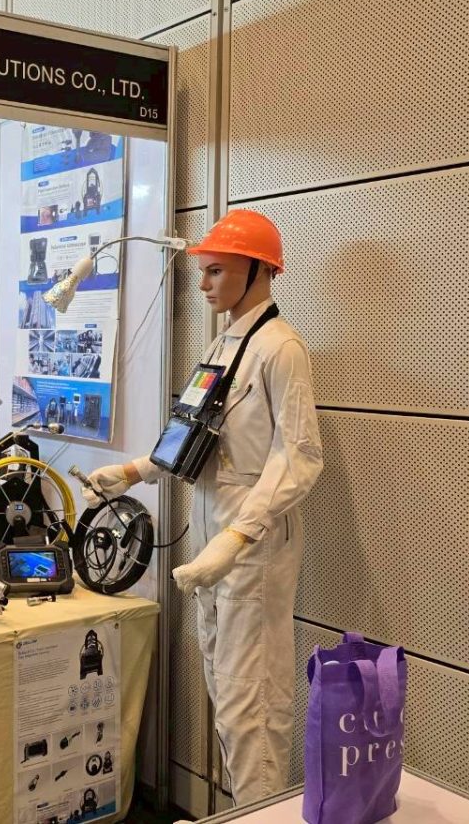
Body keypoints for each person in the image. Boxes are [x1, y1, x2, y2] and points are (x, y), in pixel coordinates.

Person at [83, 209, 323, 804]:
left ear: (258, 270)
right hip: (211, 529)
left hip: (251, 544)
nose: (205, 283)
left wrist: (237, 538)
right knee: (220, 681)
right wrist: (134, 471)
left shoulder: (281, 349)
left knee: (251, 700)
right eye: (204, 270)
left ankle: (259, 813)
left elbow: (299, 456)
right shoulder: (224, 343)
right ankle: (242, 810)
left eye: (217, 271)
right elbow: (195, 429)